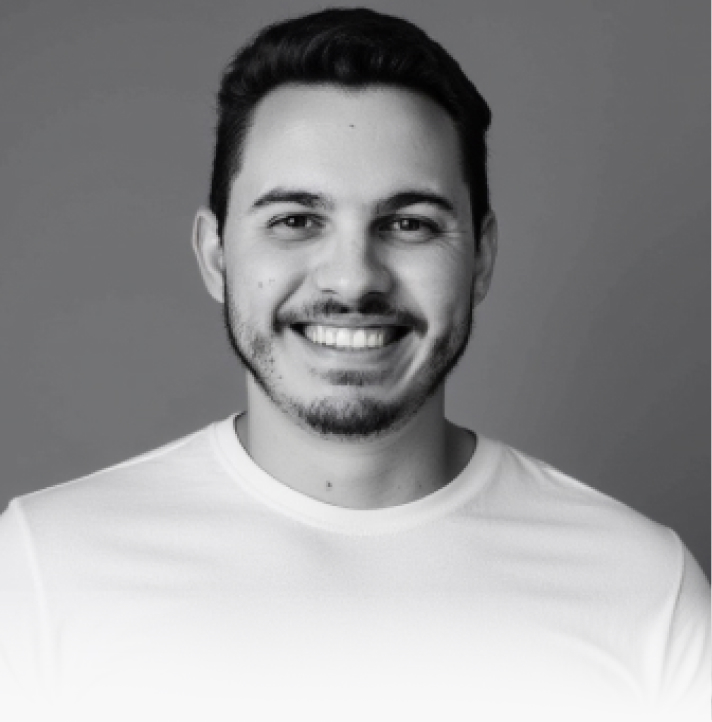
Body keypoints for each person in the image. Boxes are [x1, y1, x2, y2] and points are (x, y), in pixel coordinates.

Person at [0, 8, 708, 721]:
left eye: (409, 224)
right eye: (295, 221)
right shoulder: (40, 571)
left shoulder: (646, 590)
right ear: (216, 256)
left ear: (482, 259)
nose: (352, 279)